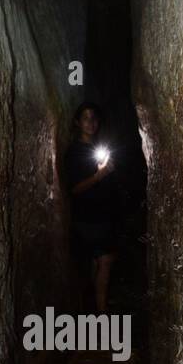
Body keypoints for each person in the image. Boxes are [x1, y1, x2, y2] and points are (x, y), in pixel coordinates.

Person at [64, 102, 119, 312]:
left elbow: (109, 185)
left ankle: (99, 311)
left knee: (103, 262)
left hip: (104, 214)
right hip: (86, 217)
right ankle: (94, 312)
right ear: (78, 122)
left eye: (94, 117)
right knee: (95, 264)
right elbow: (74, 189)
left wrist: (108, 173)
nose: (91, 122)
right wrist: (99, 176)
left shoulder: (99, 149)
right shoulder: (74, 153)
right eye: (86, 118)